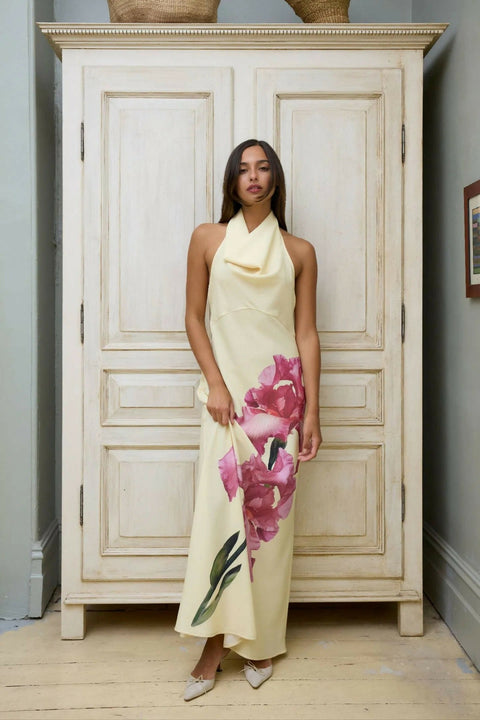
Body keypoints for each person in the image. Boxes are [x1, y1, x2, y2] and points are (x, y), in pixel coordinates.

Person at [174, 139, 322, 700]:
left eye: (262, 168)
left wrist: (312, 411)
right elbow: (193, 317)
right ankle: (213, 644)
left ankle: (261, 642)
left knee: (269, 532)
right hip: (227, 401)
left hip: (279, 405)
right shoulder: (207, 239)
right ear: (232, 181)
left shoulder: (299, 251)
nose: (253, 177)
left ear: (275, 178)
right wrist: (215, 382)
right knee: (220, 519)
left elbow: (306, 333)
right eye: (243, 169)